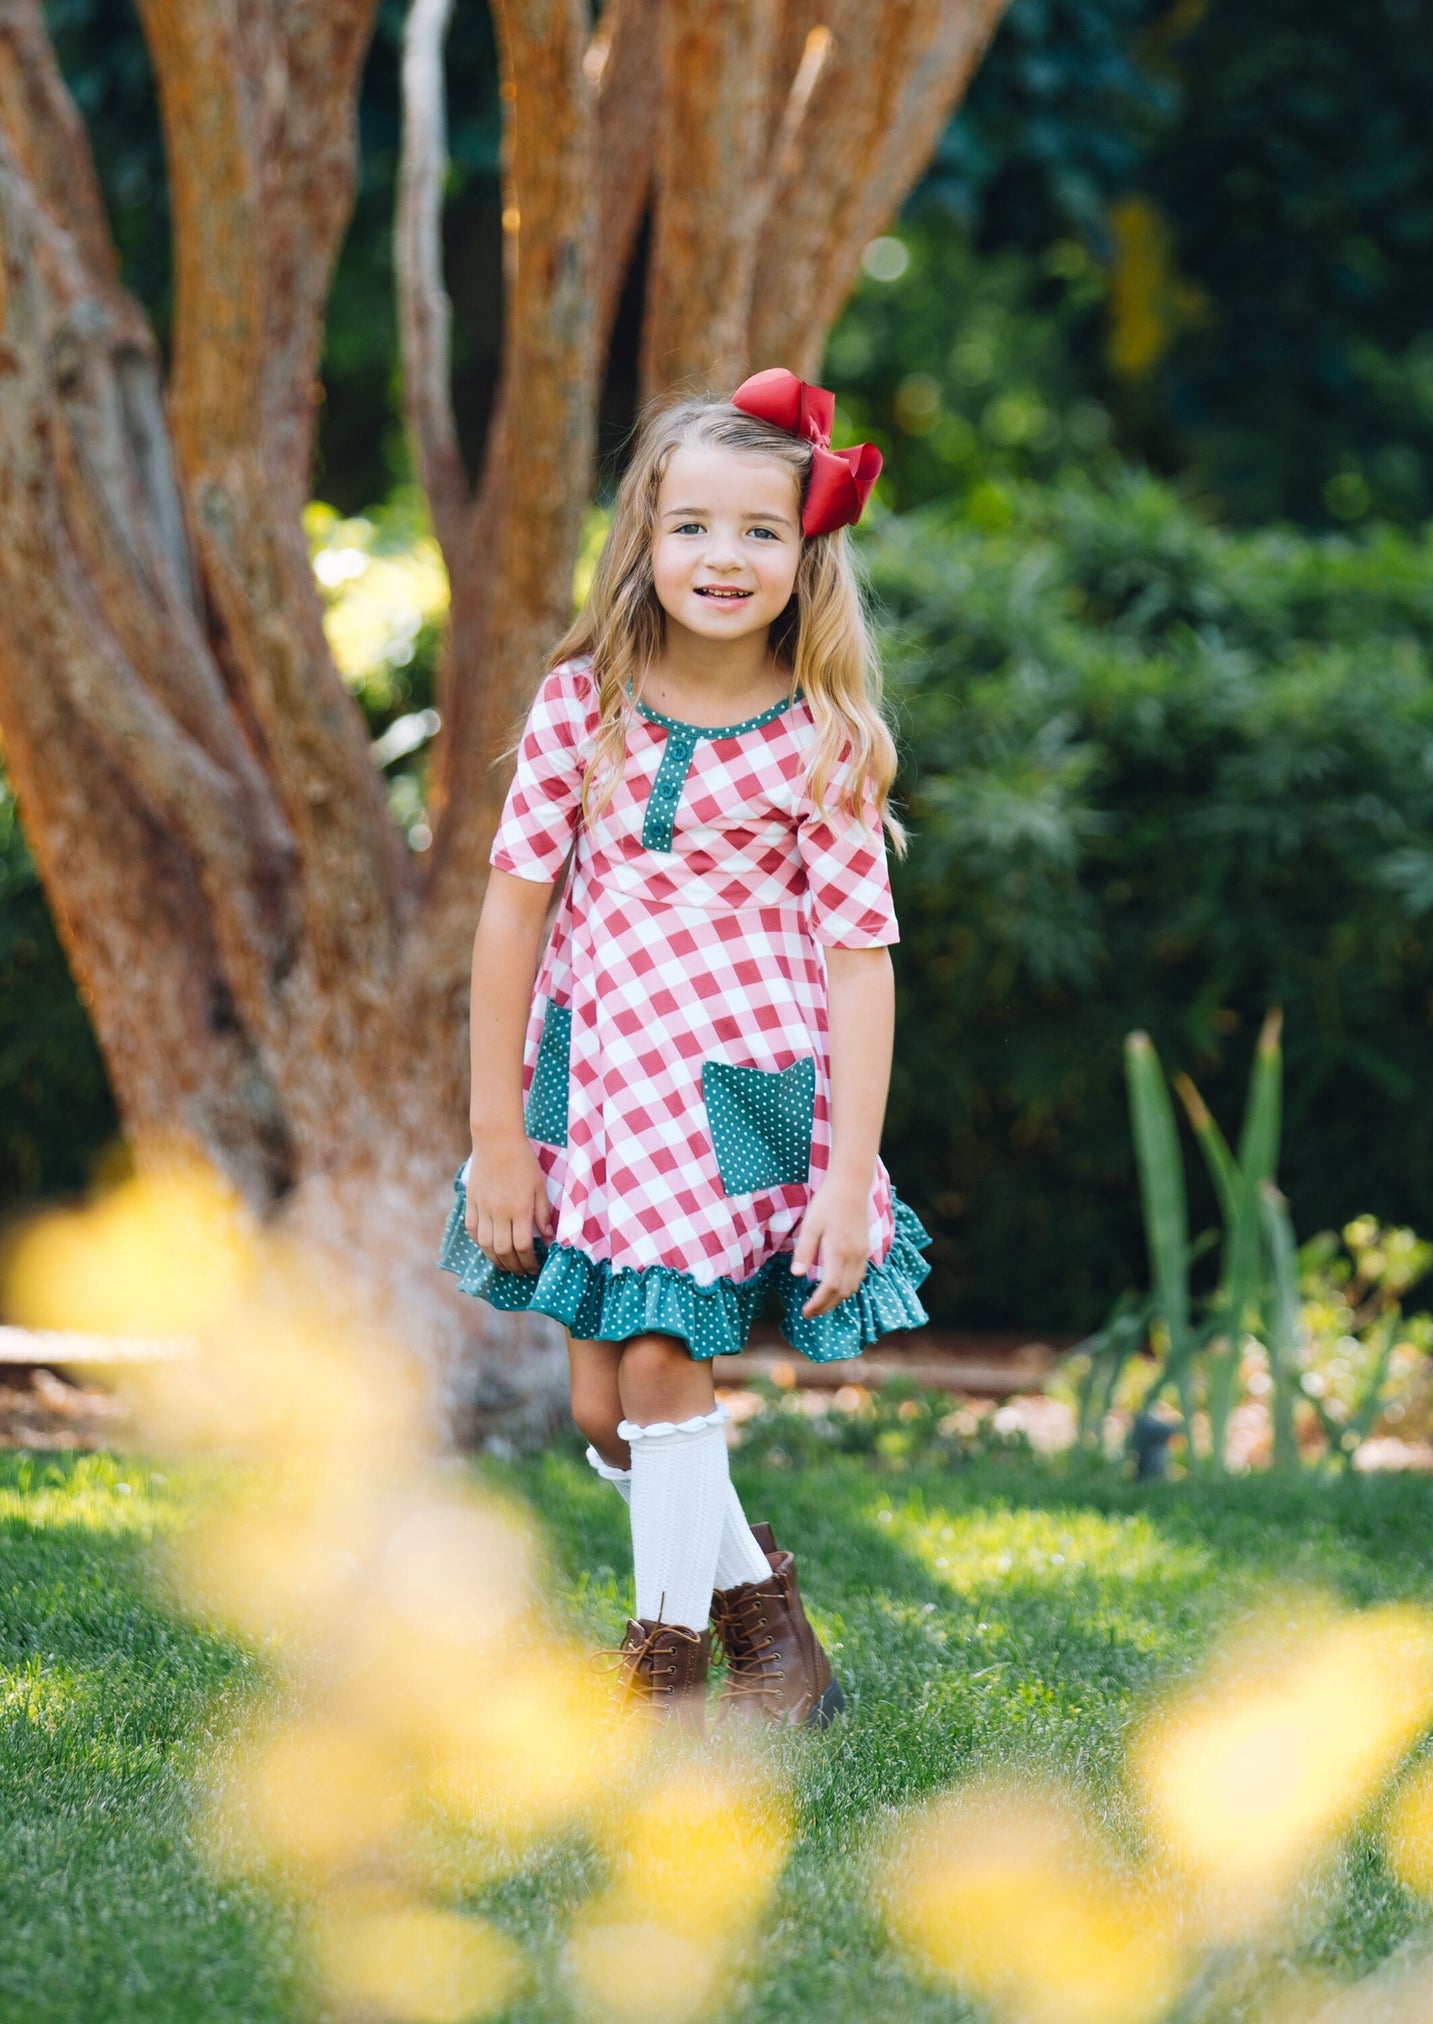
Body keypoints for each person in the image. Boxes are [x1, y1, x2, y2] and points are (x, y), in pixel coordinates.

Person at [438, 367, 931, 1734]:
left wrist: (847, 1176)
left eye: (760, 532)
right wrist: (494, 1132)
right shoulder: (579, 706)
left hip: (739, 1101)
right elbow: (510, 916)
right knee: (608, 1410)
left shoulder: (824, 740)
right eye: (695, 527)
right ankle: (776, 1636)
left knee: (660, 1361)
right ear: (645, 541)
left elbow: (858, 961)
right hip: (590, 1090)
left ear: (805, 555)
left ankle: (660, 1675)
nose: (725, 558)